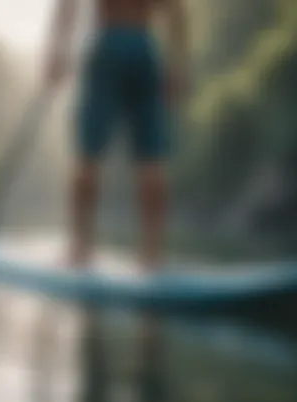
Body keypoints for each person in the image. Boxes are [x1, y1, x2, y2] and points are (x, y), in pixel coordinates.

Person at [45, 0, 189, 271]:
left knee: (87, 155)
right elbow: (176, 12)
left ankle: (79, 251)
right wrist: (177, 67)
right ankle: (152, 257)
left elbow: (68, 5)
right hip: (145, 49)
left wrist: (57, 50)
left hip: (106, 45)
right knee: (152, 159)